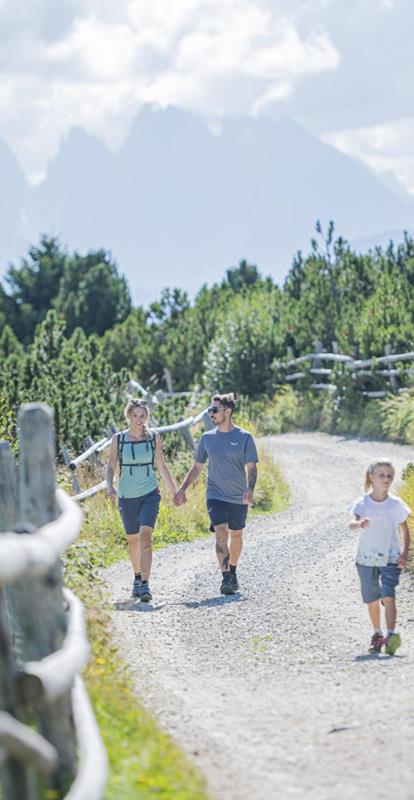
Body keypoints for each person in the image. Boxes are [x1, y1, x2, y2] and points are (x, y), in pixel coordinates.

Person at [174, 393, 258, 595]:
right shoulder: (207, 438)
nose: (210, 413)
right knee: (221, 532)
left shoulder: (245, 437)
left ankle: (234, 570)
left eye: (214, 410)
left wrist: (250, 488)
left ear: (227, 411)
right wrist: (182, 488)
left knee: (236, 535)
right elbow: (196, 468)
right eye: (210, 410)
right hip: (215, 495)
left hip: (238, 495)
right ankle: (226, 577)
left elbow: (252, 468)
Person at [106, 398, 178, 602]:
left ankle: (145, 584)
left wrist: (175, 492)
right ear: (128, 416)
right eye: (135, 415)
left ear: (147, 417)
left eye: (143, 416)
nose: (139, 420)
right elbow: (111, 466)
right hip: (127, 495)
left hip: (149, 493)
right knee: (133, 540)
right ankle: (137, 577)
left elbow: (162, 466)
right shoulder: (118, 440)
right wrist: (110, 486)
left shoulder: (153, 438)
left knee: (145, 537)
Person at [349, 459, 410, 654]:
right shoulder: (363, 503)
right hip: (365, 559)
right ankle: (377, 634)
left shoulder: (395, 505)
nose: (386, 479)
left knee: (388, 595)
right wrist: (359, 524)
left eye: (390, 476)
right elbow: (351, 524)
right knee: (373, 599)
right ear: (372, 477)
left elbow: (404, 529)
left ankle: (391, 635)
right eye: (382, 475)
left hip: (390, 558)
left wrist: (404, 554)